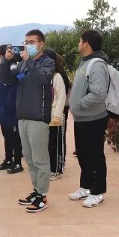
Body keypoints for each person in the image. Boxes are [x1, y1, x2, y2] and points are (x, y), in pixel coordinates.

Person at [11, 29, 55, 212]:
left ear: (41, 44)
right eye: (26, 42)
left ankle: (43, 196)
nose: (28, 45)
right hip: (23, 116)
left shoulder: (47, 62)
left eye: (31, 42)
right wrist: (7, 61)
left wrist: (29, 62)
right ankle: (36, 190)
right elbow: (11, 79)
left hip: (38, 117)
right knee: (29, 158)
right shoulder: (23, 63)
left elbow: (42, 79)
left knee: (40, 159)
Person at [67, 29, 111, 208]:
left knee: (95, 156)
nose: (78, 44)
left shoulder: (96, 64)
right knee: (83, 155)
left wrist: (78, 105)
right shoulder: (85, 62)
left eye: (80, 41)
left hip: (94, 118)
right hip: (82, 118)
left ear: (86, 43)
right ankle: (85, 187)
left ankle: (97, 192)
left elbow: (99, 93)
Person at [0, 45, 23, 174]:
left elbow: (14, 79)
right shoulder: (6, 68)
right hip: (3, 107)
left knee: (15, 136)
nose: (11, 51)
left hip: (12, 108)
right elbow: (0, 76)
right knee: (7, 135)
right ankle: (9, 159)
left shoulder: (16, 68)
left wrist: (7, 61)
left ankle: (17, 162)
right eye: (8, 50)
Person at [43, 49, 68, 181]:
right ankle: (49, 168)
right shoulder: (44, 76)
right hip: (44, 117)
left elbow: (61, 97)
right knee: (47, 145)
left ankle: (56, 169)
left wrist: (57, 115)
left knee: (55, 144)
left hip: (55, 118)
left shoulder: (57, 77)